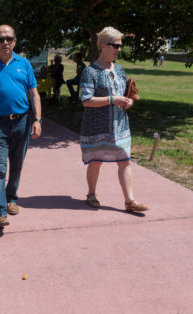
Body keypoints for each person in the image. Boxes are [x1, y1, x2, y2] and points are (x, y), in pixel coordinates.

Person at [0, 24, 42, 228]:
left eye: (8, 39)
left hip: (22, 121)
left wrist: (37, 119)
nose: (5, 43)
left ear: (14, 41)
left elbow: (34, 94)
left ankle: (12, 199)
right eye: (0, 39)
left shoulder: (24, 64)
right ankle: (0, 212)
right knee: (0, 168)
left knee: (17, 166)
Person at [79, 26, 148, 212]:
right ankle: (91, 193)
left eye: (120, 45)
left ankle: (130, 201)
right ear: (103, 46)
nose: (119, 49)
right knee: (96, 161)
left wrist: (128, 102)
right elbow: (86, 100)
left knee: (125, 161)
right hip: (97, 127)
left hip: (120, 126)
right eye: (115, 45)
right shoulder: (90, 71)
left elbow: (126, 93)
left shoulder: (119, 69)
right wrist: (112, 99)